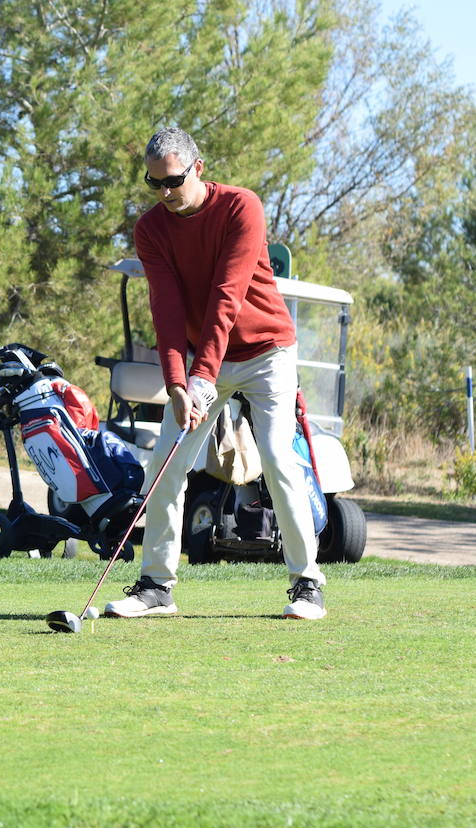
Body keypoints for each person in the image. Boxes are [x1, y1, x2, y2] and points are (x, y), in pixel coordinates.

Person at [106, 128, 327, 620]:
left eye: (173, 181)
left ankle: (307, 582)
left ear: (198, 168)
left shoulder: (241, 208)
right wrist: (178, 384)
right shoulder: (152, 230)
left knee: (275, 457)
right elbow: (165, 312)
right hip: (202, 361)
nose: (164, 193)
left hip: (267, 352)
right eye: (154, 184)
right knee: (166, 461)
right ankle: (156, 587)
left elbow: (226, 299)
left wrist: (201, 378)